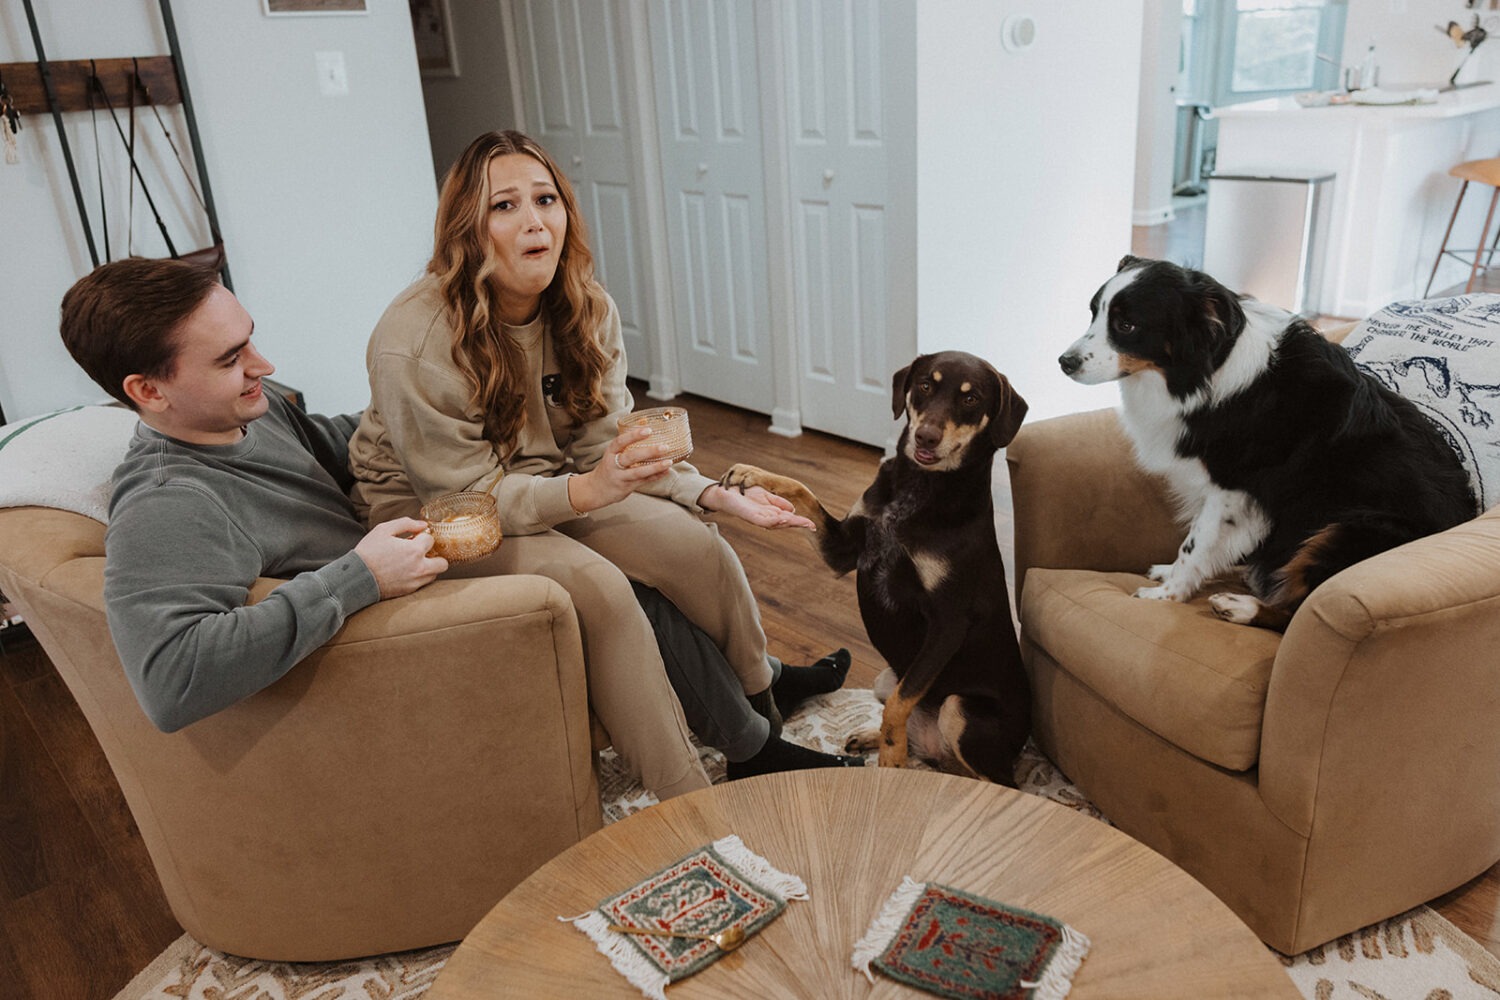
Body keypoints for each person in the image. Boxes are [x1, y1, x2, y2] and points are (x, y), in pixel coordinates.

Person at [347, 130, 857, 797]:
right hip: (443, 514)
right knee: (606, 589)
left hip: (549, 479)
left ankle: (763, 702)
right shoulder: (412, 341)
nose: (535, 221)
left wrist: (708, 495)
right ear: (467, 231)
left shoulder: (585, 306)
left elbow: (604, 445)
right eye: (505, 206)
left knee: (693, 547)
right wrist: (587, 491)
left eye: (546, 199)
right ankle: (690, 796)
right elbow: (468, 495)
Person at [57, 257, 446, 733]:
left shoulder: (247, 412)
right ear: (149, 391)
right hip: (391, 667)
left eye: (249, 341)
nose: (263, 365)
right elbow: (169, 680)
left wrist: (431, 405)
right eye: (230, 359)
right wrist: (360, 577)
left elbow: (339, 445)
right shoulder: (169, 503)